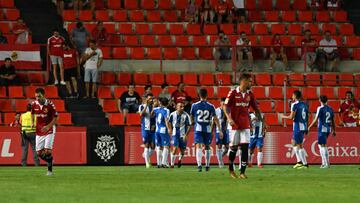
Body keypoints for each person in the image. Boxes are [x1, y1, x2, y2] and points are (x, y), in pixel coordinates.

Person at [223, 74, 262, 179]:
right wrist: (229, 118)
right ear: (243, 81)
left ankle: (242, 172)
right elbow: (225, 107)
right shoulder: (233, 92)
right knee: (234, 148)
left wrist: (263, 122)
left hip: (245, 125)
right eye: (249, 81)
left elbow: (256, 108)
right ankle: (231, 169)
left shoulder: (250, 94)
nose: (251, 83)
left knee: (245, 147)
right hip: (235, 125)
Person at [190, 88, 222, 172]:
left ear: (199, 95)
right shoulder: (211, 106)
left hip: (198, 128)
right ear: (207, 95)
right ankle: (207, 165)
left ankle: (199, 165)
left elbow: (191, 116)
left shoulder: (194, 105)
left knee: (198, 146)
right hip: (207, 128)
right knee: (207, 146)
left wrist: (193, 122)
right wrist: (220, 129)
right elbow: (215, 119)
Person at [31, 88, 58, 176]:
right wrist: (32, 122)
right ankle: (50, 161)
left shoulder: (50, 105)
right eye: (36, 96)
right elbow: (32, 113)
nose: (37, 98)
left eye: (39, 96)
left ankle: (49, 171)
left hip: (49, 129)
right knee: (39, 152)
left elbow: (56, 117)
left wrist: (48, 126)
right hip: (39, 130)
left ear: (43, 95)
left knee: (47, 151)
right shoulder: (34, 104)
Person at [282, 90, 309, 169]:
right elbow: (307, 117)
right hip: (303, 126)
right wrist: (307, 127)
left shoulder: (294, 105)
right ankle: (299, 161)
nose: (292, 97)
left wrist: (283, 117)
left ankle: (304, 164)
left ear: (295, 96)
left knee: (299, 145)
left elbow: (291, 117)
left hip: (298, 126)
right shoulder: (305, 105)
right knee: (293, 142)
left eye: (292, 95)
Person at [308, 95, 336, 168]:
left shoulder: (320, 108)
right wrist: (334, 130)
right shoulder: (330, 109)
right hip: (328, 129)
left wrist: (309, 127)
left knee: (323, 145)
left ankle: (327, 163)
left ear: (320, 100)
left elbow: (315, 119)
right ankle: (323, 163)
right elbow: (333, 120)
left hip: (322, 128)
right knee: (320, 145)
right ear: (327, 100)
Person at [168, 102, 192, 168]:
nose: (182, 108)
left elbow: (190, 126)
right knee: (175, 148)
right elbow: (169, 122)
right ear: (177, 107)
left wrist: (186, 135)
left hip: (183, 135)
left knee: (182, 151)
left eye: (183, 106)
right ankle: (172, 164)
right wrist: (170, 129)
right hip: (175, 134)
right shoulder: (172, 114)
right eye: (180, 106)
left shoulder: (186, 115)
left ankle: (179, 160)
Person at [152, 97, 171, 168]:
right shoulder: (167, 110)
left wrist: (154, 106)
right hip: (163, 130)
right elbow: (166, 120)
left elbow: (151, 115)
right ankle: (163, 163)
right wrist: (169, 129)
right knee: (166, 146)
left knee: (159, 146)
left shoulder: (156, 109)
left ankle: (158, 163)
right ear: (167, 103)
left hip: (157, 130)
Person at [138, 93, 156, 168]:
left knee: (153, 146)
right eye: (149, 99)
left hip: (152, 129)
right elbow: (141, 114)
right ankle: (147, 163)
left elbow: (152, 116)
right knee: (147, 144)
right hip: (145, 128)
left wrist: (153, 107)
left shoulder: (153, 107)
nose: (151, 100)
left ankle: (146, 156)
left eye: (151, 99)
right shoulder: (141, 106)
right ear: (145, 99)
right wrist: (146, 105)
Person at [214, 97, 229, 168]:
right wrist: (211, 131)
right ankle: (220, 162)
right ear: (220, 103)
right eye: (222, 102)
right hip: (218, 130)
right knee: (219, 146)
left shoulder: (227, 110)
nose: (223, 103)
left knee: (227, 148)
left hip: (225, 131)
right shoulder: (216, 110)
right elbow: (213, 121)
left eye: (224, 102)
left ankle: (220, 157)